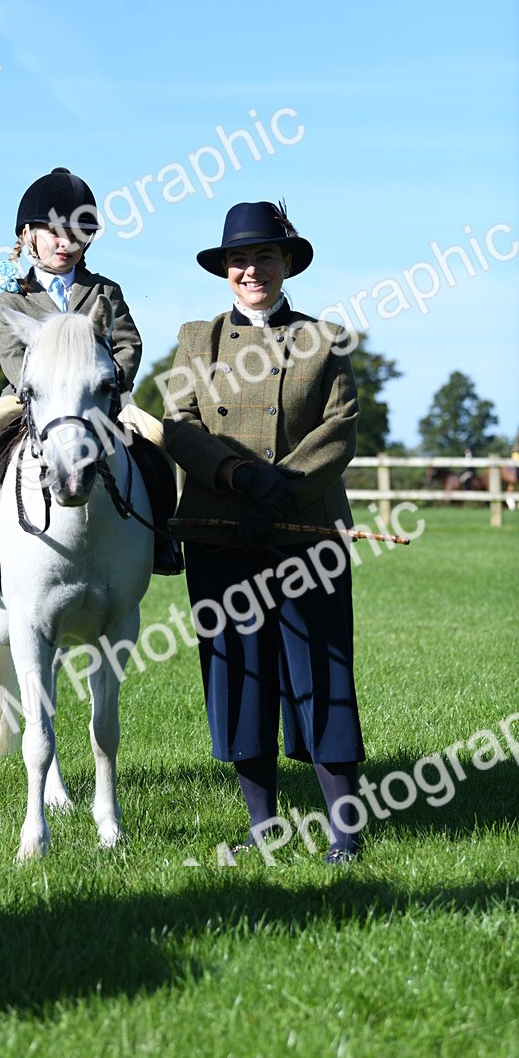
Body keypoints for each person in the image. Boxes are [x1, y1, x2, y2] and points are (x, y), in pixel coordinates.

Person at [162, 200, 365, 865]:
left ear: (287, 264)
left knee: (323, 674)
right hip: (220, 532)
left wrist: (280, 489)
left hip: (307, 534)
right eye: (239, 260)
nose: (252, 270)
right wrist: (239, 477)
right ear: (225, 269)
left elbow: (339, 429)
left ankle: (344, 834)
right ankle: (264, 828)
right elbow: (180, 424)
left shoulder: (325, 339)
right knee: (239, 676)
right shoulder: (197, 339)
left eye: (265, 257)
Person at [0, 167, 183, 575]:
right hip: (28, 400)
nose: (67, 243)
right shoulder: (13, 298)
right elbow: (11, 354)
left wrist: (110, 386)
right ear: (28, 234)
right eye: (55, 233)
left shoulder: (104, 290)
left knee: (156, 438)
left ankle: (163, 536)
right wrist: (40, 391)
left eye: (79, 233)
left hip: (99, 400)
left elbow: (128, 344)